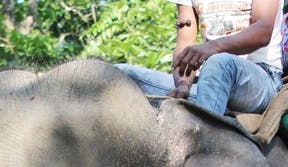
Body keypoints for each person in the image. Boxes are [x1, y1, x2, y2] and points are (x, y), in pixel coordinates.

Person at [118, 0, 284, 116]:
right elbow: (185, 43)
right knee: (120, 74)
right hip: (209, 85)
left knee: (219, 62)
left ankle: (203, 148)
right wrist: (183, 83)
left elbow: (263, 32)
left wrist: (212, 47)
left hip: (260, 79)